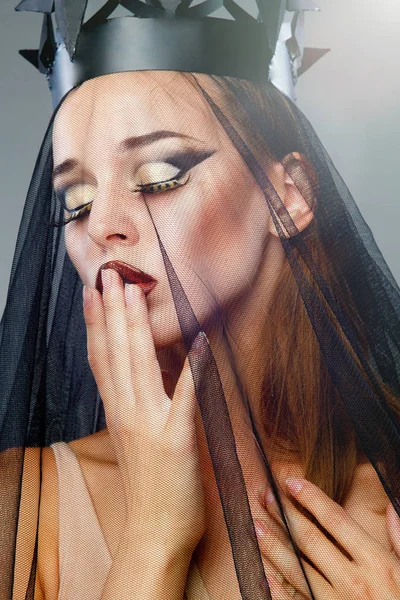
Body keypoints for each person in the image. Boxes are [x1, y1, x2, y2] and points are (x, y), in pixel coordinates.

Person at [2, 2, 400, 600]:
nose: (102, 226)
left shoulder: (387, 491)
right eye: (76, 201)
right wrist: (155, 532)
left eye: (160, 174)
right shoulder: (25, 502)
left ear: (286, 196)